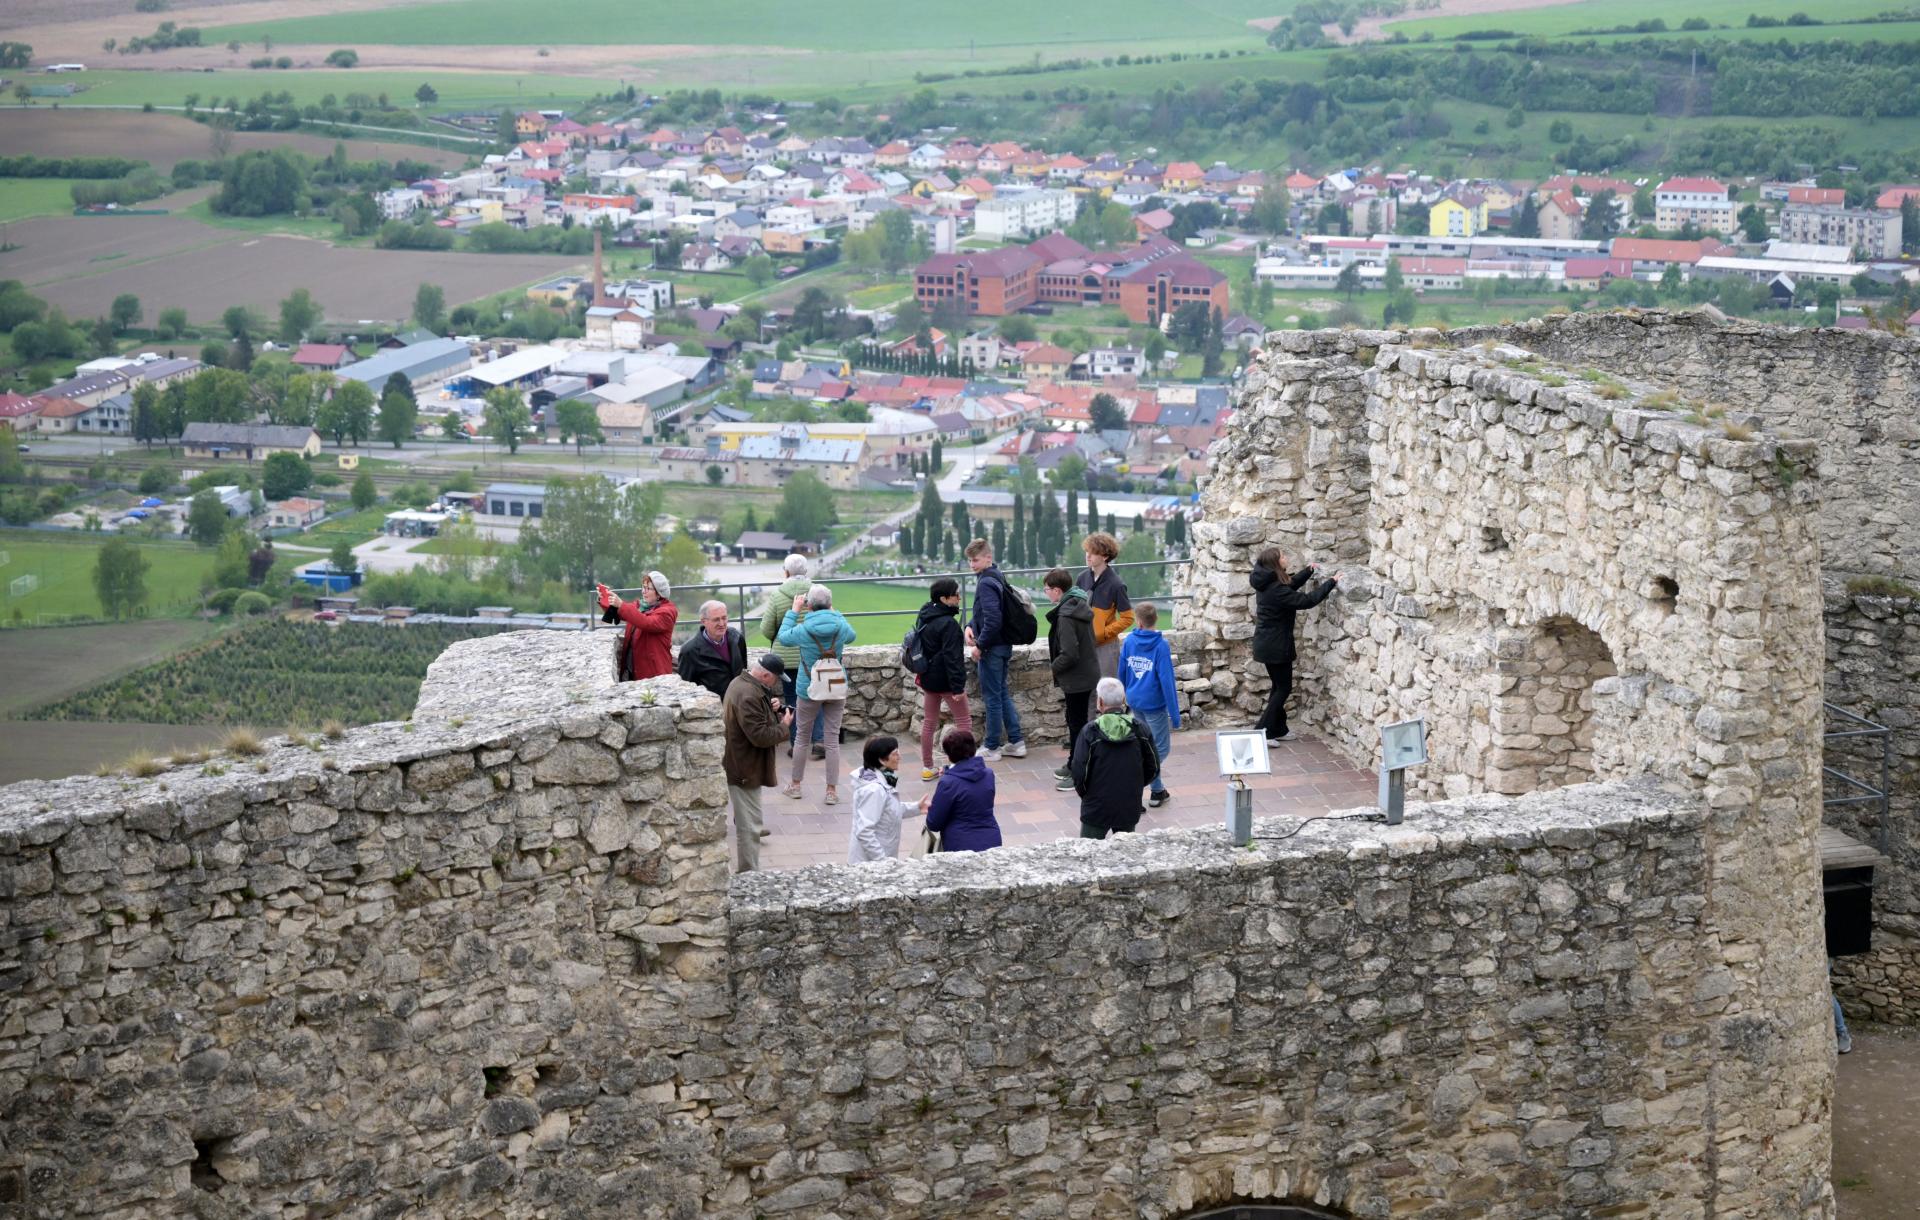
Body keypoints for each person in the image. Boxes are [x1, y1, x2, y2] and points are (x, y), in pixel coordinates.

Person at [1249, 547, 1341, 745]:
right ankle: (1261, 733)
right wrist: (1331, 582)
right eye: (1283, 556)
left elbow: (1289, 585)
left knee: (1278, 687)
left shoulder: (1267, 581)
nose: (1286, 557)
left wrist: (1308, 571)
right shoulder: (1275, 589)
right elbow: (1307, 601)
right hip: (1275, 647)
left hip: (1267, 643)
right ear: (1275, 563)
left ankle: (1278, 729)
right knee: (1283, 688)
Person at [777, 584, 858, 805]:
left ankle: (795, 786)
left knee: (802, 737)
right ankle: (831, 791)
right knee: (831, 740)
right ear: (829, 604)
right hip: (835, 687)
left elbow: (783, 638)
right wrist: (835, 611)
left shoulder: (803, 629)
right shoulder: (839, 625)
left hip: (808, 688)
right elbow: (852, 636)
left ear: (809, 605)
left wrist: (794, 611)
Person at [722, 655, 792, 872]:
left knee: (750, 819)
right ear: (765, 675)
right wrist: (785, 726)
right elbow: (759, 736)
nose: (777, 683)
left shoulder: (741, 683)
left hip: (743, 762)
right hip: (744, 766)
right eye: (776, 679)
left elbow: (754, 720)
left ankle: (749, 870)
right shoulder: (749, 695)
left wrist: (772, 707)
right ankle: (748, 876)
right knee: (748, 829)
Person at [1070, 676, 1159, 840]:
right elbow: (1153, 768)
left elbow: (1079, 771)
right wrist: (1135, 785)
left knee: (1090, 856)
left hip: (1096, 805)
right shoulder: (1140, 730)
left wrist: (1087, 794)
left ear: (1100, 702)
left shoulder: (1090, 732)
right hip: (1128, 803)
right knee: (1125, 856)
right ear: (1124, 699)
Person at [963, 538, 1027, 761]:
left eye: (975, 560)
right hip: (1002, 645)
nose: (971, 565)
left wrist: (980, 645)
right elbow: (983, 613)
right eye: (969, 561)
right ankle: (1017, 743)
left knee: (992, 698)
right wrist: (970, 626)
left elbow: (993, 619)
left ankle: (992, 747)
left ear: (988, 558)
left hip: (992, 647)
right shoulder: (996, 576)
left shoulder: (986, 583)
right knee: (1001, 694)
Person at [760, 553, 825, 759]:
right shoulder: (817, 593)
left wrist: (779, 638)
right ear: (805, 571)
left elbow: (766, 628)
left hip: (786, 658)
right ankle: (820, 740)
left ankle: (797, 743)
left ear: (786, 571)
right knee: (816, 696)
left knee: (791, 698)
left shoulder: (778, 595)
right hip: (813, 654)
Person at [1043, 567, 1100, 792]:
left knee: (1077, 726)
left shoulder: (1066, 614)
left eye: (1047, 589)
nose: (1046, 593)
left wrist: (1053, 668)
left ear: (1057, 590)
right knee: (1076, 722)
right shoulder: (1077, 604)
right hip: (1086, 673)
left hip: (1077, 677)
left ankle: (1079, 774)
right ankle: (1073, 763)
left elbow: (1069, 653)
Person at [1119, 601, 1179, 808]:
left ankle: (1157, 791)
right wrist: (1175, 715)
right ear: (1156, 619)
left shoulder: (1129, 641)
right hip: (1154, 705)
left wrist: (1124, 694)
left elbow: (1122, 671)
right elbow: (1167, 681)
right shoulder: (1161, 646)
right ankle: (1136, 778)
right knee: (1160, 748)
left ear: (1138, 621)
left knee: (1144, 744)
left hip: (1135, 700)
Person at [912, 577, 972, 781]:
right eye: (956, 595)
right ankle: (964, 766)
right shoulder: (949, 624)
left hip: (928, 678)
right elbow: (953, 658)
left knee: (929, 722)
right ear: (945, 598)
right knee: (964, 722)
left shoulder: (925, 613)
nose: (959, 598)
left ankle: (928, 768)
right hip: (946, 681)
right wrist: (957, 688)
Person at [924, 730, 1002, 852]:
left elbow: (933, 823)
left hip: (960, 844)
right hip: (991, 840)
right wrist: (948, 772)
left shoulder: (948, 783)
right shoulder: (988, 774)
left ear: (949, 755)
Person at [1076, 532, 1134, 680]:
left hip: (1106, 647)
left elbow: (1128, 618)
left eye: (1093, 553)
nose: (1088, 556)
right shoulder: (1082, 578)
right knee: (1087, 690)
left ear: (1105, 556)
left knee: (1107, 689)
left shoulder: (1117, 584)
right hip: (1083, 644)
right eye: (1087, 552)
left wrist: (1103, 633)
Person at [601, 571, 677, 681]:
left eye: (648, 588)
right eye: (643, 587)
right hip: (634, 668)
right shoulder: (640, 605)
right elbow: (622, 612)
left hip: (654, 673)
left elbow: (646, 622)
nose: (643, 591)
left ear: (659, 593)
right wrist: (605, 598)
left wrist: (621, 605)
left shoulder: (667, 612)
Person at [849, 736, 911, 863]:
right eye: (895, 754)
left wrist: (917, 807)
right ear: (882, 760)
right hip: (869, 865)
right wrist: (882, 861)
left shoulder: (883, 778)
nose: (899, 757)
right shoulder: (874, 790)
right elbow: (864, 831)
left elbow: (887, 810)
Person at [675, 599, 745, 698]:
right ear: (704, 621)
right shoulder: (689, 651)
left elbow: (744, 672)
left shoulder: (737, 637)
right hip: (714, 708)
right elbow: (686, 690)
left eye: (724, 618)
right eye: (716, 619)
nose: (721, 623)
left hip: (739, 703)